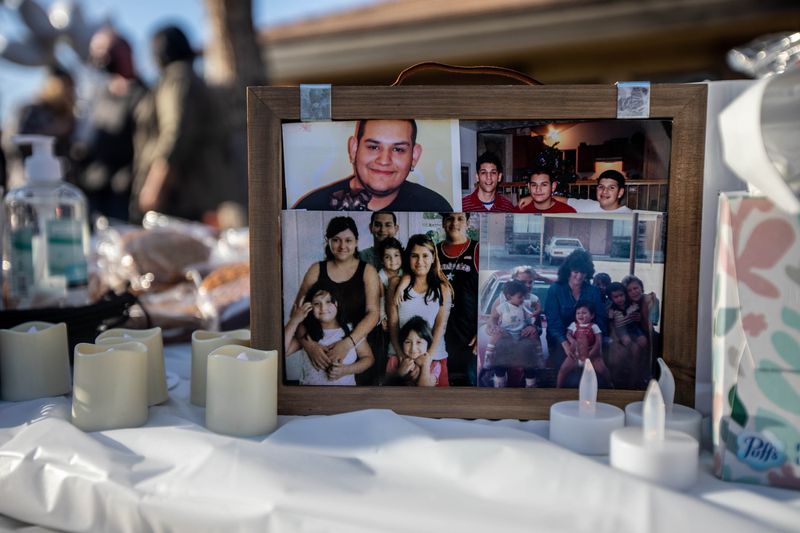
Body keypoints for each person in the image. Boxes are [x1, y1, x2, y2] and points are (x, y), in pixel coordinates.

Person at [131, 25, 233, 223]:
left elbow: (176, 133)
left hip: (180, 198)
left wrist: (154, 186)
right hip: (193, 195)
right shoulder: (192, 78)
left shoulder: (177, 78)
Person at [293, 216, 381, 385]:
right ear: (328, 241)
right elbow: (298, 312)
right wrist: (309, 346)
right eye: (336, 240)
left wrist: (347, 343)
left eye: (348, 240)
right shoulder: (316, 269)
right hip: (320, 347)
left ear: (356, 241)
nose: (342, 246)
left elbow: (373, 313)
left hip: (358, 347)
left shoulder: (367, 271)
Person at [293, 119, 452, 212]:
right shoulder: (311, 208)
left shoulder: (435, 207)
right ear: (354, 149)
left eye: (398, 149)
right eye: (373, 147)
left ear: (415, 156)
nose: (384, 160)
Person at [76, 27, 147, 221]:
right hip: (94, 189)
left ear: (124, 50)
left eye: (103, 50)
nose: (99, 57)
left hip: (125, 193)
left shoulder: (144, 95)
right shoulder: (99, 94)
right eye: (95, 52)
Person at [388, 234, 452, 386]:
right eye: (414, 256)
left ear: (433, 257)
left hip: (433, 358)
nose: (420, 261)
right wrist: (403, 357)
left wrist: (426, 360)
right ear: (407, 257)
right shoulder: (396, 284)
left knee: (435, 407)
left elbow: (439, 327)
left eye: (425, 255)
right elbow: (393, 324)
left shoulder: (443, 289)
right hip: (400, 358)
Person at [284, 281, 374, 385]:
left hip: (344, 398)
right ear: (310, 308)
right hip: (309, 397)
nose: (323, 308)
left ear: (337, 303)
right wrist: (294, 321)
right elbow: (283, 351)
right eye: (317, 303)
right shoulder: (307, 335)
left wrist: (346, 370)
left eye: (328, 301)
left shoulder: (352, 330)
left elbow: (368, 359)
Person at [2, 66, 76, 190]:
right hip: (25, 183)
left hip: (59, 187)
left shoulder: (67, 117)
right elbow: (11, 143)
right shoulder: (29, 110)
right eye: (66, 87)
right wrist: (52, 131)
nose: (70, 92)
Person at [544, 249, 607, 387]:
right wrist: (567, 344)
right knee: (570, 379)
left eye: (583, 273)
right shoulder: (555, 289)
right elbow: (553, 323)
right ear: (568, 271)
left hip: (589, 339)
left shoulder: (593, 291)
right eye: (575, 272)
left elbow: (601, 320)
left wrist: (595, 343)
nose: (579, 276)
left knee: (598, 377)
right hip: (561, 341)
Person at [436, 212, 479, 385]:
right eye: (450, 218)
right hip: (441, 333)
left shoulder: (477, 249)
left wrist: (482, 330)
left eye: (460, 218)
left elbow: (487, 293)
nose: (455, 223)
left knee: (470, 383)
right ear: (443, 222)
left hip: (469, 335)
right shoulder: (434, 251)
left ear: (467, 223)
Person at [484, 280, 544, 388]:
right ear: (509, 296)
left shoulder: (523, 302)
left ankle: (538, 361)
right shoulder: (502, 306)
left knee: (529, 356)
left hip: (522, 334)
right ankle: (490, 361)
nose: (523, 299)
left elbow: (537, 307)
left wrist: (536, 313)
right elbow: (493, 318)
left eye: (523, 296)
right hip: (506, 334)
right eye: (520, 297)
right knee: (498, 346)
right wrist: (494, 327)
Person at [557, 300, 612, 387]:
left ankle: (610, 385)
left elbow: (598, 341)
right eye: (578, 313)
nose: (580, 315)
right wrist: (573, 341)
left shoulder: (594, 326)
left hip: (591, 352)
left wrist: (592, 353)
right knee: (563, 369)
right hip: (576, 353)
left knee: (603, 370)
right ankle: (558, 387)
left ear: (592, 316)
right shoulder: (573, 325)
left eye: (584, 313)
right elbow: (568, 334)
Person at [385, 316, 444, 387]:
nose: (413, 349)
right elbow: (387, 386)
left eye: (419, 342)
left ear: (428, 344)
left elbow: (425, 389)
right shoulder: (394, 361)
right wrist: (400, 372)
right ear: (401, 343)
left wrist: (425, 366)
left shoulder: (434, 365)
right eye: (407, 342)